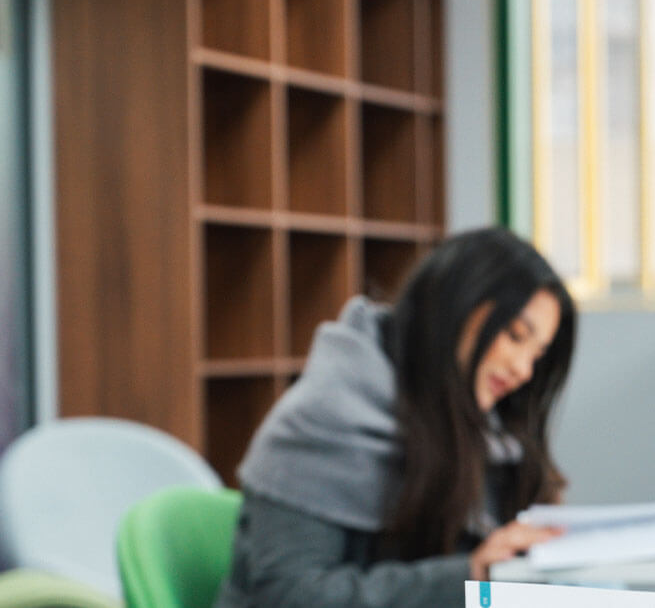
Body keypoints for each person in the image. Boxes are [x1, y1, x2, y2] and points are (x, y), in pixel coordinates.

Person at [215, 228, 578, 608]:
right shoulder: (322, 419)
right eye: (516, 336)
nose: (524, 370)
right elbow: (291, 595)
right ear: (455, 307)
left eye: (537, 355)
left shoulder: (480, 424)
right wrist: (470, 576)